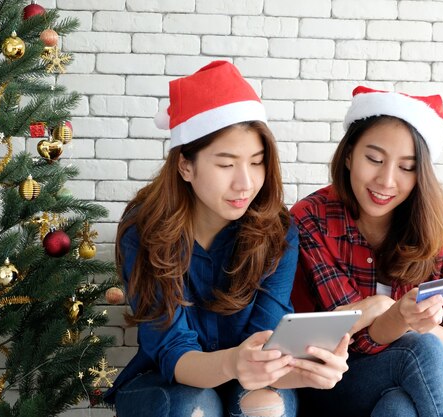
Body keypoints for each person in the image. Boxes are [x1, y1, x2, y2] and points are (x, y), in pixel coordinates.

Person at [103, 61, 350, 417]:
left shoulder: (278, 233)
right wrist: (235, 363)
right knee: (195, 405)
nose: (245, 183)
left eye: (256, 162)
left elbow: (268, 348)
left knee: (265, 405)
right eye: (226, 164)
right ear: (186, 165)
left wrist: (314, 374)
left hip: (250, 380)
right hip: (164, 381)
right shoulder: (143, 229)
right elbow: (173, 350)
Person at [290, 86, 443, 417]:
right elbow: (347, 340)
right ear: (350, 154)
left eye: (407, 167)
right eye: (374, 159)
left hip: (415, 383)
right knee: (420, 348)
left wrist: (395, 315)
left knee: (399, 406)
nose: (386, 180)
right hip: (333, 386)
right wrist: (397, 316)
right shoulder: (312, 219)